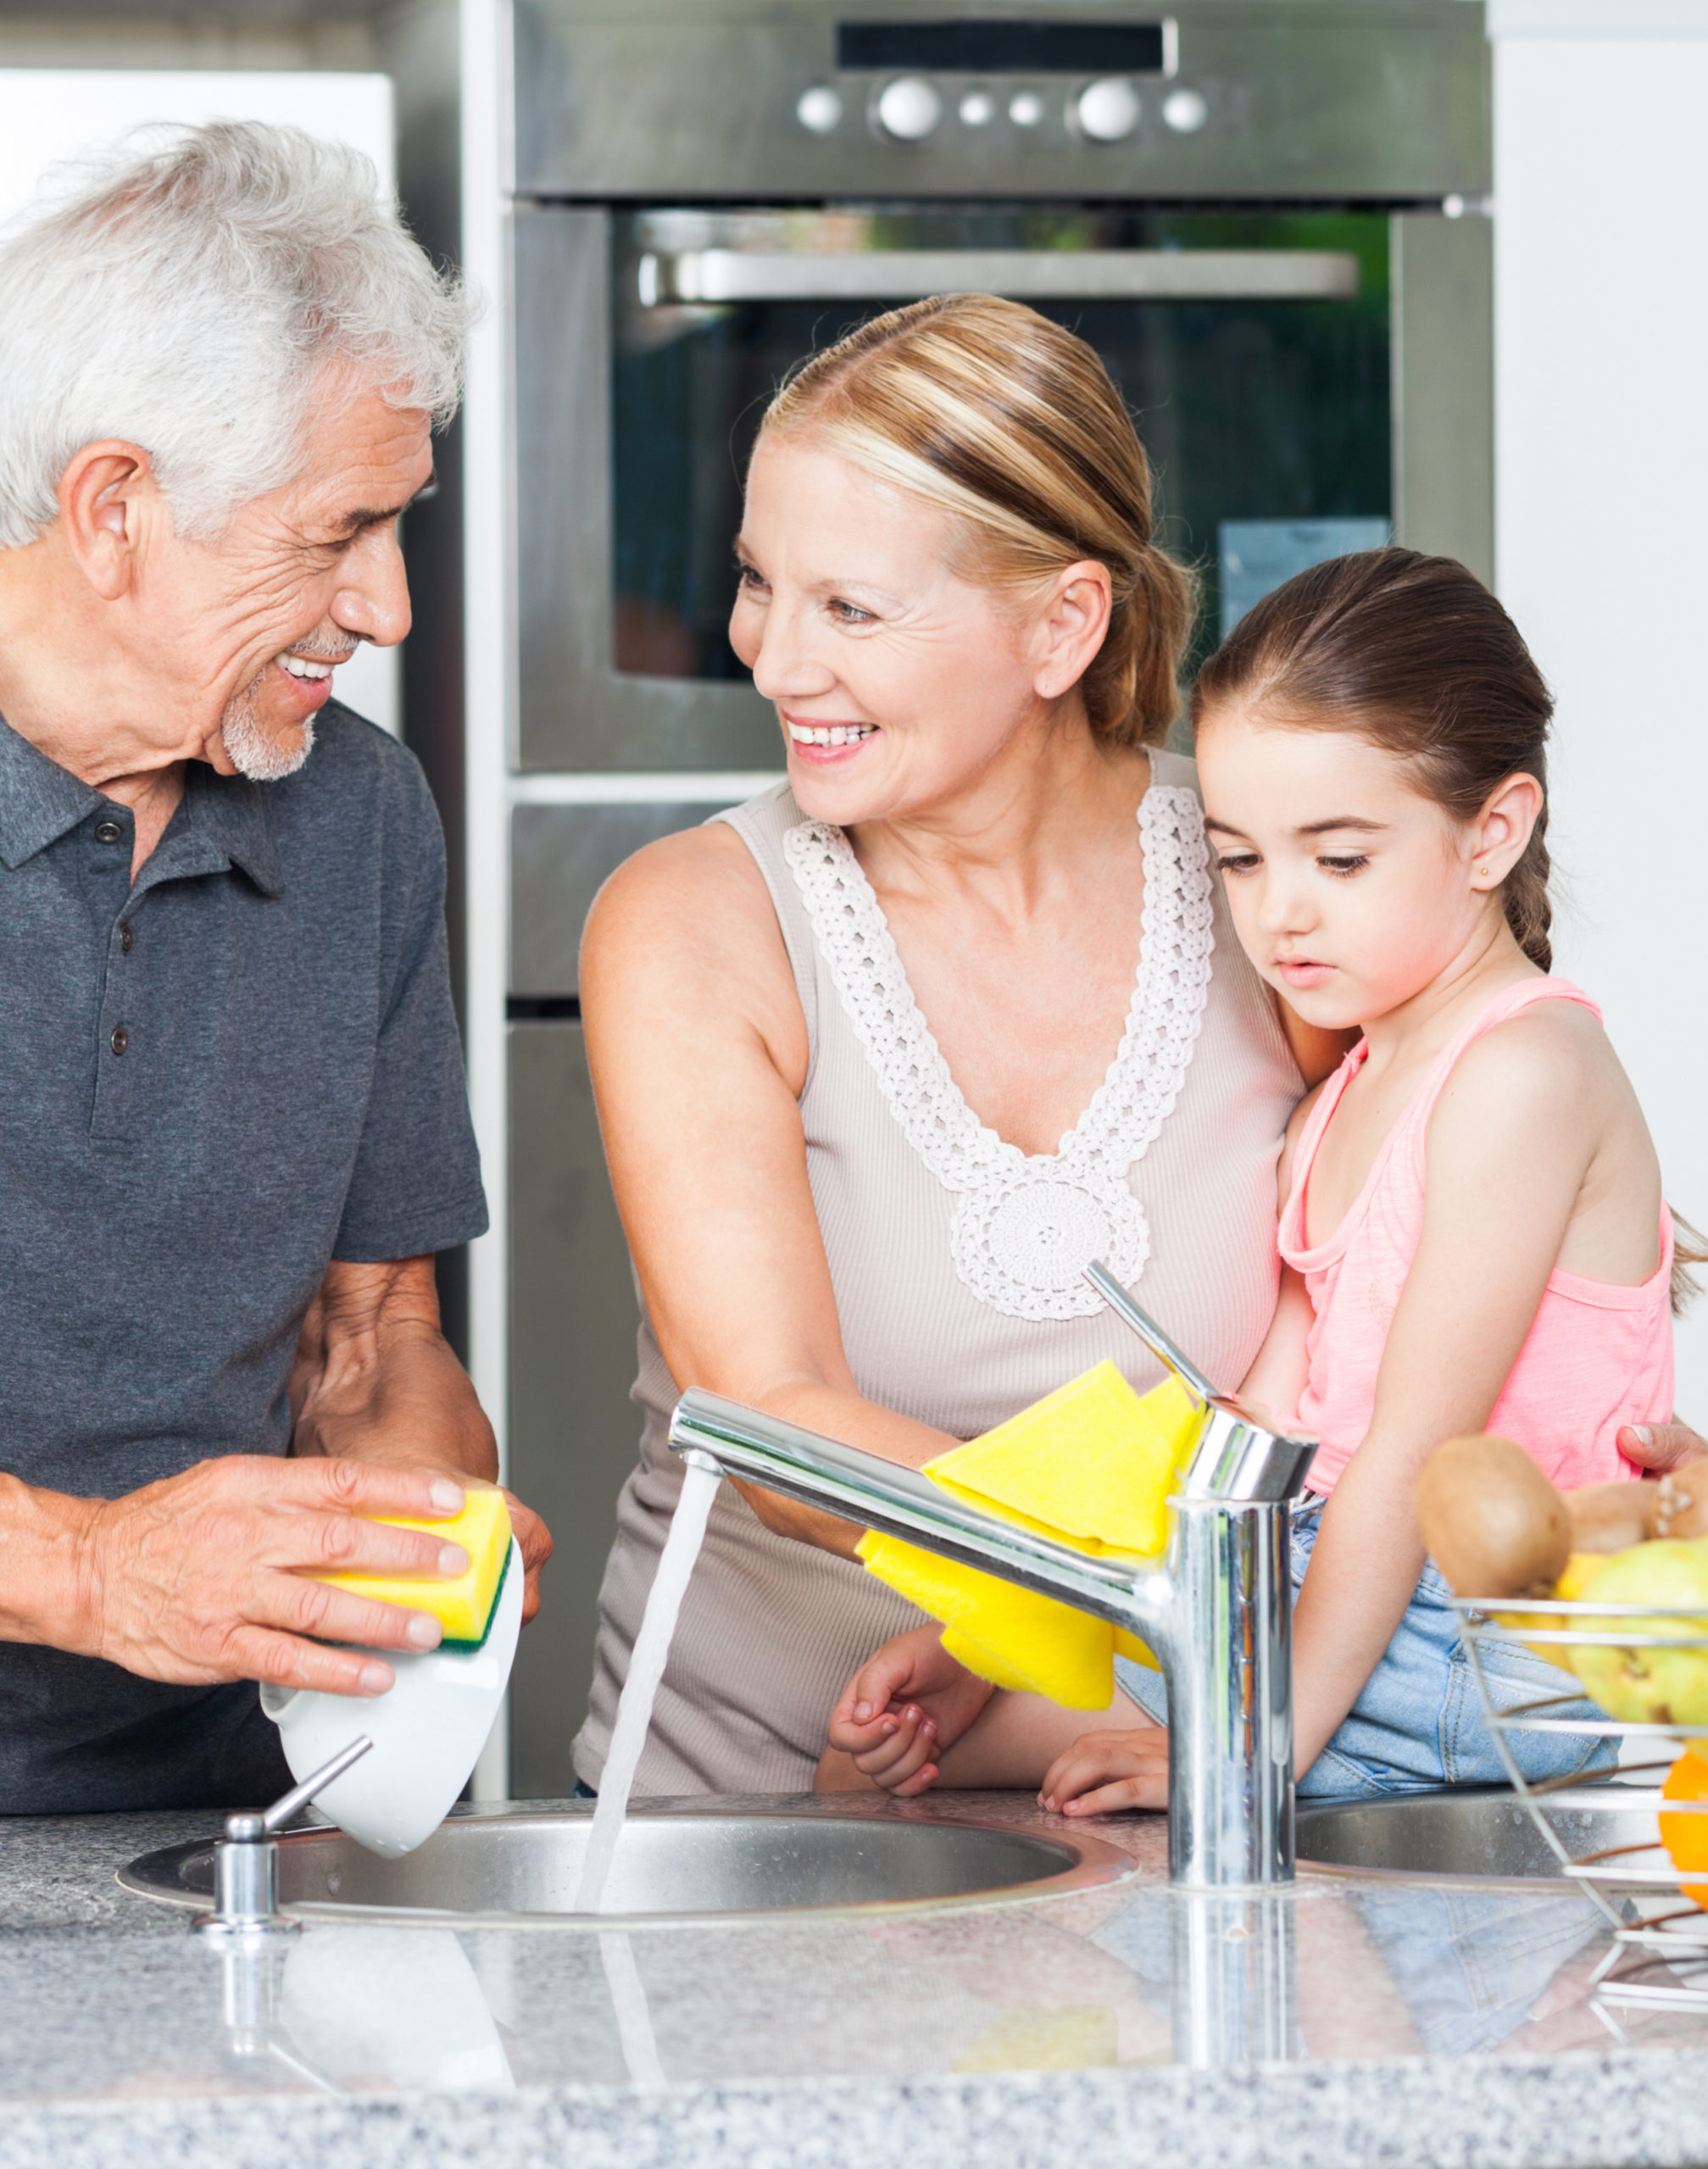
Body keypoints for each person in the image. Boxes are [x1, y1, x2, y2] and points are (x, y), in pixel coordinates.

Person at [571, 293, 1365, 1799]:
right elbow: (766, 1409)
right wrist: (1085, 1585)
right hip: (752, 1811)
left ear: (1063, 625)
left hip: (1166, 1771)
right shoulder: (691, 919)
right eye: (757, 583)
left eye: (851, 611)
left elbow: (1387, 1303)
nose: (772, 661)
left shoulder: (1271, 879)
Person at [828, 548, 1686, 1809]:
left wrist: (1253, 1741)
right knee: (915, 1752)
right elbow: (1255, 1434)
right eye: (1240, 860)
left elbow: (1411, 1451)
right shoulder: (1345, 1093)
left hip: (1475, 1637)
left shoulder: (1524, 1072)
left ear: (1493, 831)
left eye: (1339, 860)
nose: (1280, 914)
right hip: (1335, 1588)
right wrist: (1006, 1644)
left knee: (966, 1785)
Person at [0, 120, 549, 1816]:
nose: (393, 607)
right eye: (337, 532)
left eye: (401, 523)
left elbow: (374, 1335)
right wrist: (90, 1573)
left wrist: (408, 1536)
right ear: (114, 506)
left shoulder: (358, 818)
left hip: (233, 1823)